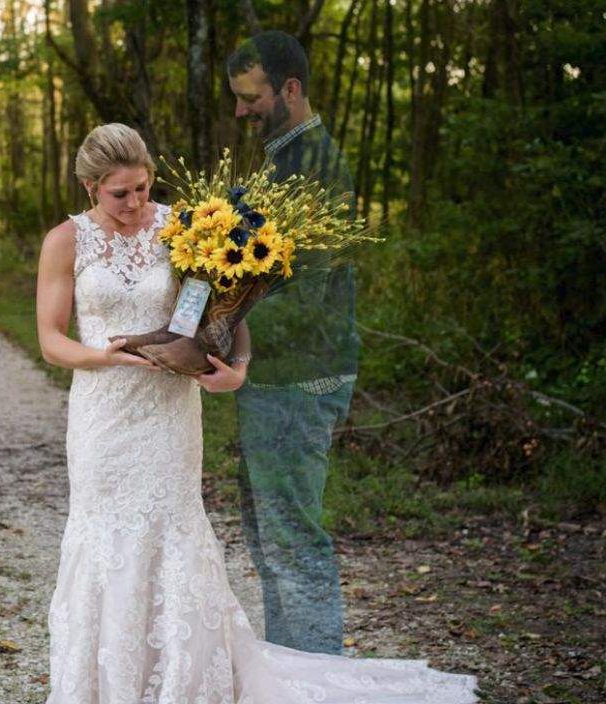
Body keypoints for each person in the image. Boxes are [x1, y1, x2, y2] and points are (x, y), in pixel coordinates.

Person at [36, 122, 477, 701]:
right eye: (120, 193)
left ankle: (182, 684)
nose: (136, 203)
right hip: (102, 415)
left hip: (169, 414)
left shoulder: (182, 229)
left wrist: (236, 371)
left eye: (143, 187)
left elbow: (230, 312)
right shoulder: (65, 241)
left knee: (172, 529)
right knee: (103, 536)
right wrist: (106, 357)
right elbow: (51, 340)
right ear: (92, 186)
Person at [227, 29, 358, 654]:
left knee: (291, 541)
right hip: (269, 377)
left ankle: (318, 684)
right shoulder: (280, 159)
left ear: (291, 88)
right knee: (268, 540)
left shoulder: (319, 166)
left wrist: (219, 332)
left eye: (250, 96)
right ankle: (288, 676)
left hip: (301, 379)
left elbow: (306, 297)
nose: (240, 110)